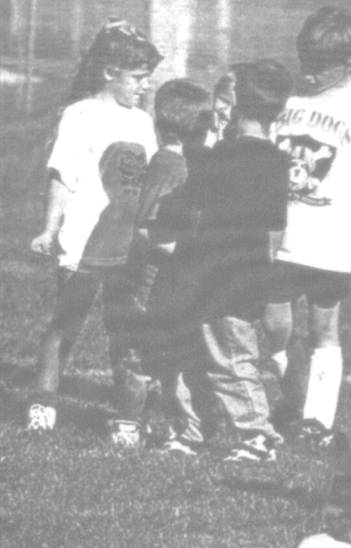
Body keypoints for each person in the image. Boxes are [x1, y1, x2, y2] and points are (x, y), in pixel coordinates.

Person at [26, 19, 162, 447]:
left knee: (125, 330)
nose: (144, 87)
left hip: (126, 247)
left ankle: (127, 417)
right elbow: (61, 177)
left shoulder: (142, 121)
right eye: (138, 78)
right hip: (82, 241)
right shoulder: (79, 115)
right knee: (66, 321)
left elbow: (150, 181)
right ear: (109, 72)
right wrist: (49, 228)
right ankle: (43, 402)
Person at [264, 5, 351, 445]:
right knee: (274, 325)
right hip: (279, 233)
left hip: (329, 238)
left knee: (323, 327)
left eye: (320, 67)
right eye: (305, 63)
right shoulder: (291, 98)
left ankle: (316, 421)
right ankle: (290, 393)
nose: (310, 74)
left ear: (348, 63)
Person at [154, 60, 292, 462]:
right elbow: (274, 229)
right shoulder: (277, 161)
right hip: (237, 277)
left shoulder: (217, 158)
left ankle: (258, 436)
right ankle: (192, 431)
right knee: (218, 356)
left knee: (224, 358)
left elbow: (189, 209)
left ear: (236, 106)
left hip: (212, 277)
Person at [122, 78, 214, 453]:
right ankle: (142, 426)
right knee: (156, 355)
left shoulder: (175, 163)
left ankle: (144, 424)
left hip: (165, 280)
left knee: (152, 355)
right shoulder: (176, 164)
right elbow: (150, 226)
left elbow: (149, 226)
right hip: (164, 278)